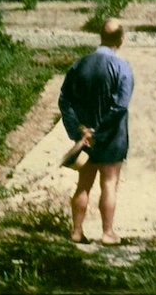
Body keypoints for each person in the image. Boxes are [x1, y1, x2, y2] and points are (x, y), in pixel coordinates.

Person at [59, 18, 134, 245]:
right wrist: (99, 132)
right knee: (109, 184)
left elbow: (65, 100)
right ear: (121, 39)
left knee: (84, 184)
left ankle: (76, 231)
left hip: (85, 138)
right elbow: (120, 107)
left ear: (100, 36)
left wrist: (80, 130)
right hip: (112, 137)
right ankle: (107, 233)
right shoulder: (122, 68)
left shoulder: (80, 64)